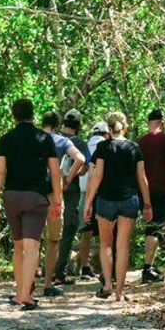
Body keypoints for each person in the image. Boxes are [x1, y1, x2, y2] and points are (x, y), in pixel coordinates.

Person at [0, 99, 63, 311]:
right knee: (32, 246)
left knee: (18, 246)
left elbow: (0, 172)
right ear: (33, 116)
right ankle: (25, 296)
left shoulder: (6, 139)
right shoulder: (44, 138)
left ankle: (19, 291)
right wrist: (57, 199)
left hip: (11, 196)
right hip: (35, 198)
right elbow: (55, 172)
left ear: (14, 116)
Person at [84, 112, 152, 302]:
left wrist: (88, 203)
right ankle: (119, 293)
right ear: (125, 127)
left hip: (106, 200)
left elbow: (97, 176)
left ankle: (107, 285)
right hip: (129, 199)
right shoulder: (134, 147)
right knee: (122, 246)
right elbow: (142, 178)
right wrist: (147, 204)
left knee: (106, 243)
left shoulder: (103, 147)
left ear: (109, 128)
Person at [40, 111, 85, 296]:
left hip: (32, 192)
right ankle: (48, 284)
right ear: (58, 125)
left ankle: (28, 282)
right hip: (54, 193)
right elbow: (80, 159)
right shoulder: (61, 141)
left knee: (32, 239)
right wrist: (67, 178)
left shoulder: (36, 138)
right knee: (53, 240)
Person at [137, 108, 165, 283]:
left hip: (141, 190)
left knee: (148, 226)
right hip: (158, 189)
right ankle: (147, 268)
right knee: (154, 228)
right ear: (162, 122)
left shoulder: (140, 142)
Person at [53, 109, 90, 286]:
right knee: (68, 228)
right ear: (79, 125)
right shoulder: (79, 144)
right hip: (71, 190)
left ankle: (45, 270)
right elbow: (84, 168)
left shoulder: (53, 138)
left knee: (49, 227)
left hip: (50, 189)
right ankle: (59, 272)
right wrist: (69, 177)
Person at [77, 121, 110, 279]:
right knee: (106, 230)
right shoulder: (107, 145)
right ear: (106, 133)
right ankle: (107, 269)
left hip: (84, 192)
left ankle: (84, 267)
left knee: (86, 230)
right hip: (102, 192)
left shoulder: (84, 145)